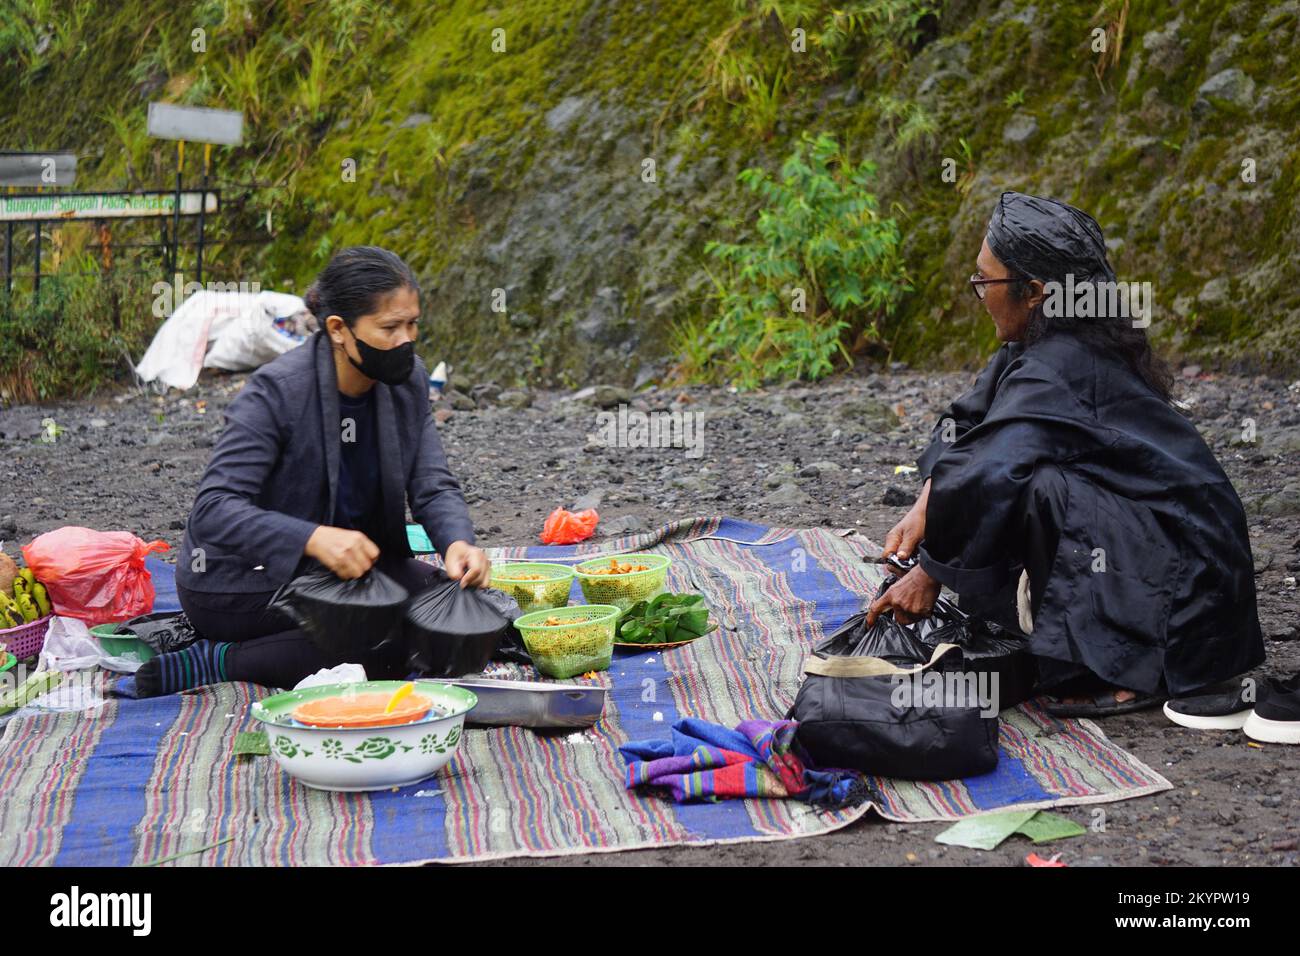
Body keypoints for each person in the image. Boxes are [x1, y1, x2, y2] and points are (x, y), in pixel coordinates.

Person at [866, 192, 1264, 717]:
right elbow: (967, 425)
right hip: (1164, 553)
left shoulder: (1064, 364)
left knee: (1039, 486)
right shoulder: (1037, 344)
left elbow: (992, 470)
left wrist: (930, 572)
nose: (979, 293)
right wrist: (924, 505)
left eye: (985, 282)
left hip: (1191, 592)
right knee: (1003, 477)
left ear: (1033, 291)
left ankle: (1134, 668)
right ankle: (1077, 643)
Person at [132, 246, 490, 697]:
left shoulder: (408, 381)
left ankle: (290, 645)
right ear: (339, 329)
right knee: (377, 644)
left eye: (412, 324)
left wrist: (458, 542)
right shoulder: (276, 393)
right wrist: (314, 538)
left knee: (454, 616)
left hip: (348, 569)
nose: (406, 340)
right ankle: (219, 659)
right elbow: (214, 509)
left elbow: (431, 482)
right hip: (240, 579)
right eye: (389, 328)